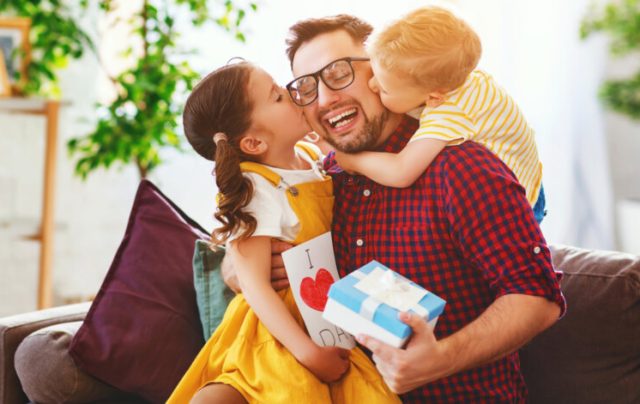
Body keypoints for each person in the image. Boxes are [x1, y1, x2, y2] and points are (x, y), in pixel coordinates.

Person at [224, 14, 565, 402]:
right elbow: (245, 236)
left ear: (379, 70)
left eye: (338, 73)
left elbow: (537, 297)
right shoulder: (320, 180)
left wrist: (441, 358)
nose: (324, 99)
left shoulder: (461, 166)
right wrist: (238, 268)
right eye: (306, 87)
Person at [167, 61, 399, 404]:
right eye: (277, 96)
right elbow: (255, 286)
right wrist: (308, 353)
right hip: (278, 330)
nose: (292, 92)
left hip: (324, 315)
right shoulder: (256, 187)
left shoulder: (308, 156)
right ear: (254, 142)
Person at [332, 6, 547, 223]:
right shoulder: (458, 76)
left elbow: (401, 171)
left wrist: (352, 161)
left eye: (385, 88)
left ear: (434, 97)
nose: (372, 84)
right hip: (530, 173)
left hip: (519, 201)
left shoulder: (450, 113)